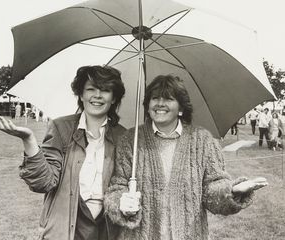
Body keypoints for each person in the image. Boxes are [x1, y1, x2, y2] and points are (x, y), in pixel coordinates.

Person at [104, 75, 268, 240]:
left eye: (168, 99)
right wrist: (121, 202)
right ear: (147, 106)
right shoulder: (130, 140)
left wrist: (231, 190)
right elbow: (117, 186)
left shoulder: (202, 140)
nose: (160, 103)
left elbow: (212, 188)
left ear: (181, 108)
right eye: (154, 98)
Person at [0, 65, 126, 240]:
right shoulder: (61, 128)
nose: (97, 95)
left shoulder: (123, 136)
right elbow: (44, 183)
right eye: (90, 89)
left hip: (107, 229)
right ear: (81, 94)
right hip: (66, 228)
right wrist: (29, 140)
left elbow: (122, 186)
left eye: (105, 90)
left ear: (114, 98)